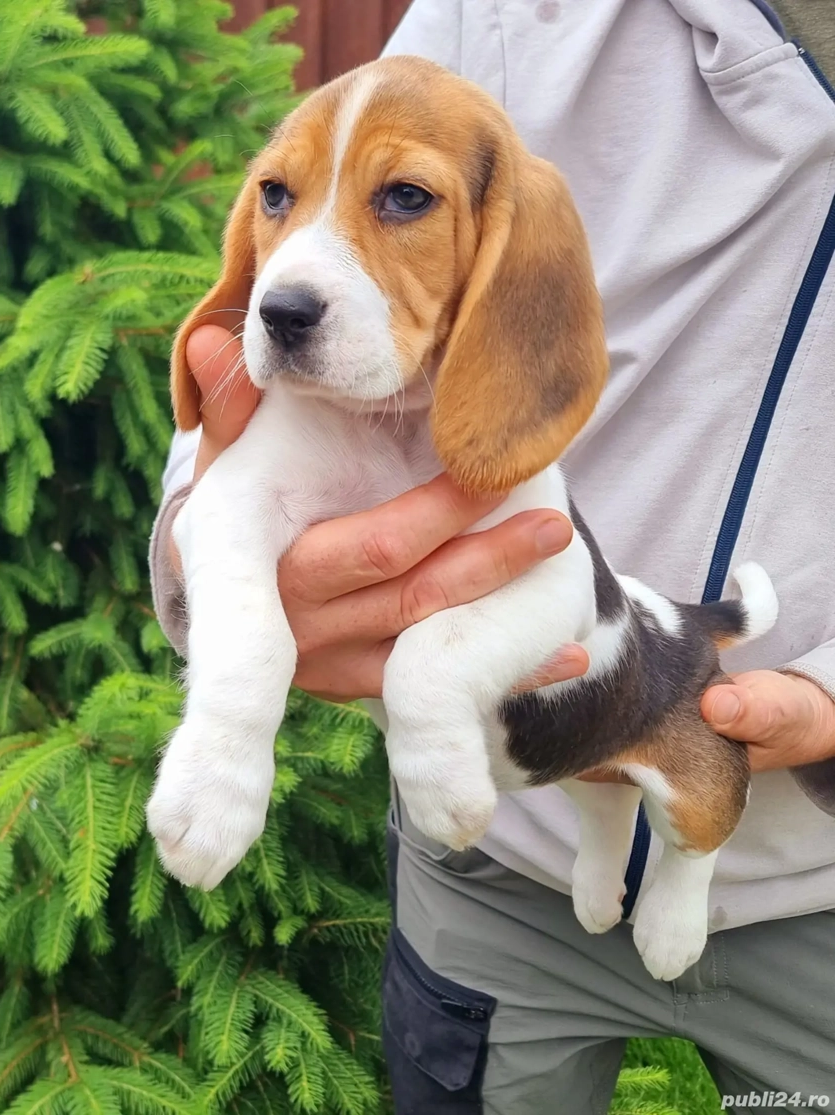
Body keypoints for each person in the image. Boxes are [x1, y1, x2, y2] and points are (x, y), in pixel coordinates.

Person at [149, 1, 835, 1110]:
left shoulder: (522, 265)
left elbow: (549, 559)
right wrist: (228, 671)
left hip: (811, 885)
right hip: (485, 869)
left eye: (403, 199)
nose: (289, 283)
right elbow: (217, 495)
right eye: (275, 197)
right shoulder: (506, 12)